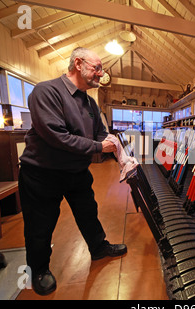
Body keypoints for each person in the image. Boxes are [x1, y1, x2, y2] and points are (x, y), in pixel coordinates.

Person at [18, 47, 127, 296]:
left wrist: (119, 148)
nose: (101, 74)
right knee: (40, 224)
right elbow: (58, 137)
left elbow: (99, 132)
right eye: (97, 68)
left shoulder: (89, 101)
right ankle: (38, 270)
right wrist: (100, 146)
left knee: (88, 211)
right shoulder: (46, 91)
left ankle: (98, 247)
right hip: (42, 172)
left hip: (75, 170)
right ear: (78, 63)